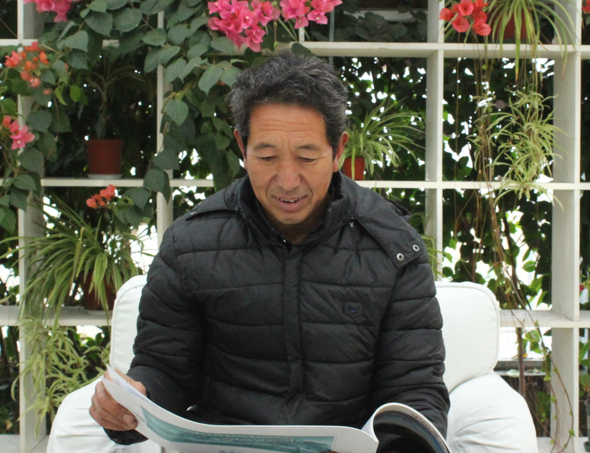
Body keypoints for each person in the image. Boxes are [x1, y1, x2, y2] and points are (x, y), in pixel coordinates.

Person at [90, 51, 449, 453]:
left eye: (307, 157)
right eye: (266, 156)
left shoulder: (393, 248)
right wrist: (131, 406)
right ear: (241, 147)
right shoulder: (189, 246)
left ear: (338, 151)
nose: (288, 180)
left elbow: (415, 390)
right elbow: (164, 371)